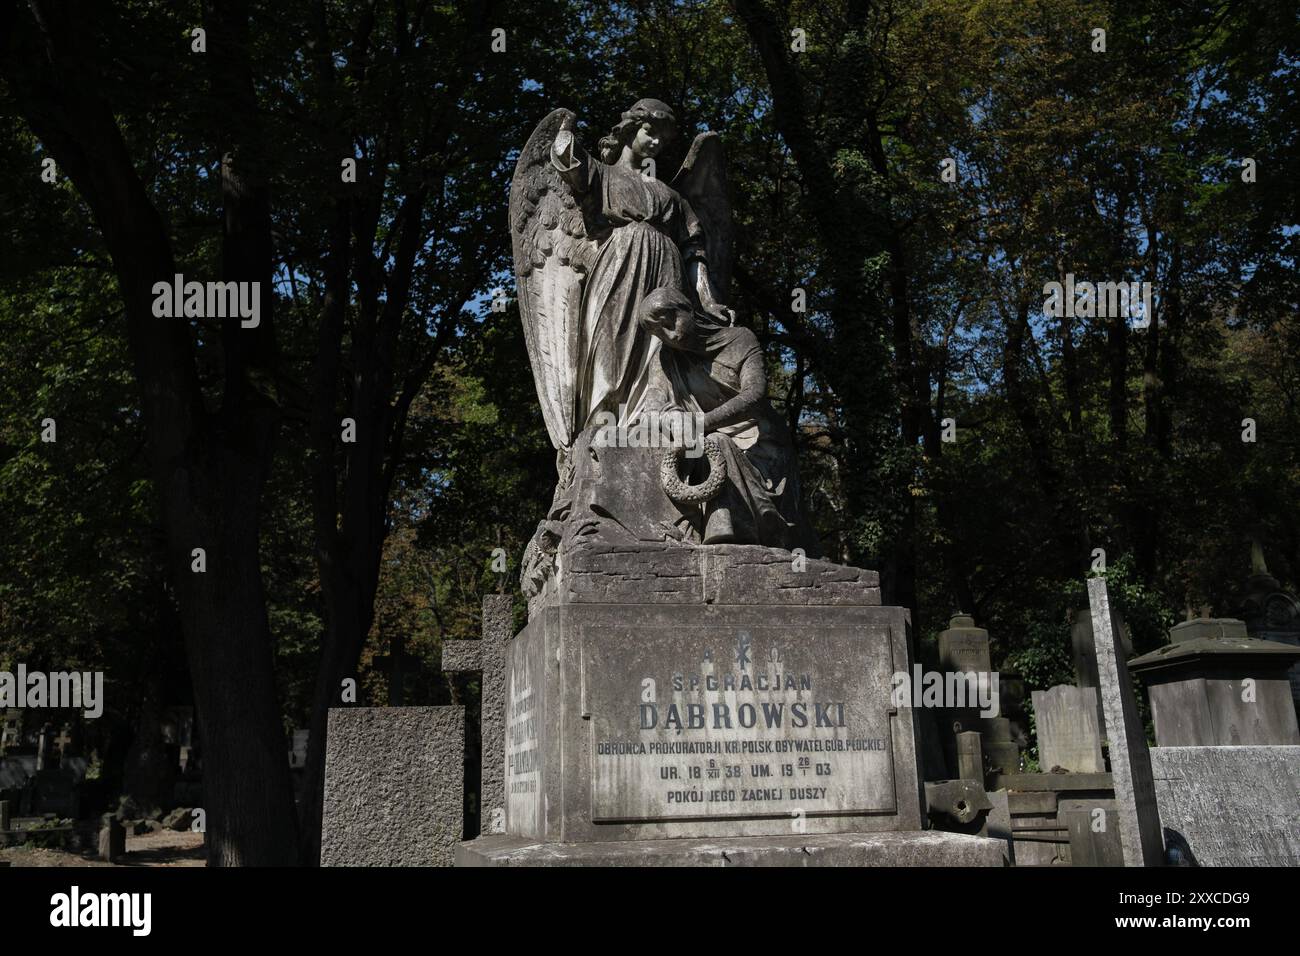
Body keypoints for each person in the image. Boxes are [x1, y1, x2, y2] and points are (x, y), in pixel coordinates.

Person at [636, 286, 820, 554]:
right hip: (699, 444)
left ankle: (729, 532)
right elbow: (651, 410)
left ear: (688, 309)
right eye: (658, 332)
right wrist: (671, 418)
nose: (669, 335)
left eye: (669, 321)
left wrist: (701, 423)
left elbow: (755, 395)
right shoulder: (665, 357)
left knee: (718, 442)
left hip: (758, 441)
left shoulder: (740, 340)